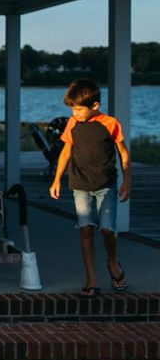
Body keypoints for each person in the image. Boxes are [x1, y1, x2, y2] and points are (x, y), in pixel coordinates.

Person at [49, 78, 130, 297]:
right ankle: (91, 278)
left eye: (78, 109)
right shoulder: (72, 124)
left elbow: (123, 153)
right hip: (80, 184)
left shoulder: (110, 123)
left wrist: (127, 182)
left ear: (94, 105)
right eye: (72, 109)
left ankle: (112, 261)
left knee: (107, 230)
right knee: (86, 228)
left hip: (106, 184)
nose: (74, 113)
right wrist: (56, 179)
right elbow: (66, 151)